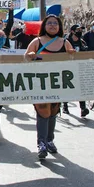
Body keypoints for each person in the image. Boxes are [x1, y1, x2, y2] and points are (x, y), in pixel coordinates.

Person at [25, 15, 76, 159]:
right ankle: (41, 142)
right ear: (44, 26)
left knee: (53, 111)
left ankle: (49, 140)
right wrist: (30, 55)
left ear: (59, 26)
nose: (52, 25)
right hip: (39, 83)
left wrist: (72, 54)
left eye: (55, 23)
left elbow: (73, 61)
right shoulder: (37, 41)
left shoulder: (65, 43)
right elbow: (25, 59)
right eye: (49, 23)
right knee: (43, 111)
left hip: (58, 83)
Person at [63, 24, 89, 117]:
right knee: (67, 87)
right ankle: (65, 106)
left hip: (79, 68)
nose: (80, 32)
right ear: (73, 31)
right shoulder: (66, 42)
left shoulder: (82, 42)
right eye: (77, 30)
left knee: (81, 88)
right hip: (67, 68)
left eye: (81, 30)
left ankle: (83, 108)